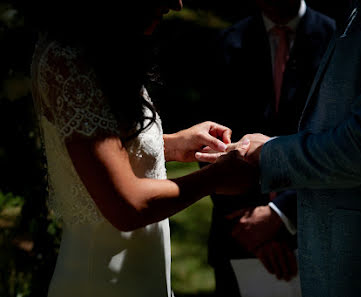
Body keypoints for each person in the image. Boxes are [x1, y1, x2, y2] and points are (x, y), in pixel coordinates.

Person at [198, 0, 361, 296]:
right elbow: (214, 137)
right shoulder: (229, 40)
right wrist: (247, 220)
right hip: (257, 238)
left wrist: (277, 207)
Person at [29, 1, 255, 296]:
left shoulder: (100, 50)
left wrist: (172, 146)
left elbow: (102, 150)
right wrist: (216, 178)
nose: (178, 4)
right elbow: (126, 205)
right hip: (100, 281)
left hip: (142, 275)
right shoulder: (67, 62)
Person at [201, 0, 335, 295]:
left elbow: (338, 145)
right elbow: (211, 141)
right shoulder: (228, 42)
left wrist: (281, 213)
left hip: (317, 226)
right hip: (240, 235)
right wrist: (252, 224)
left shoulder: (336, 40)